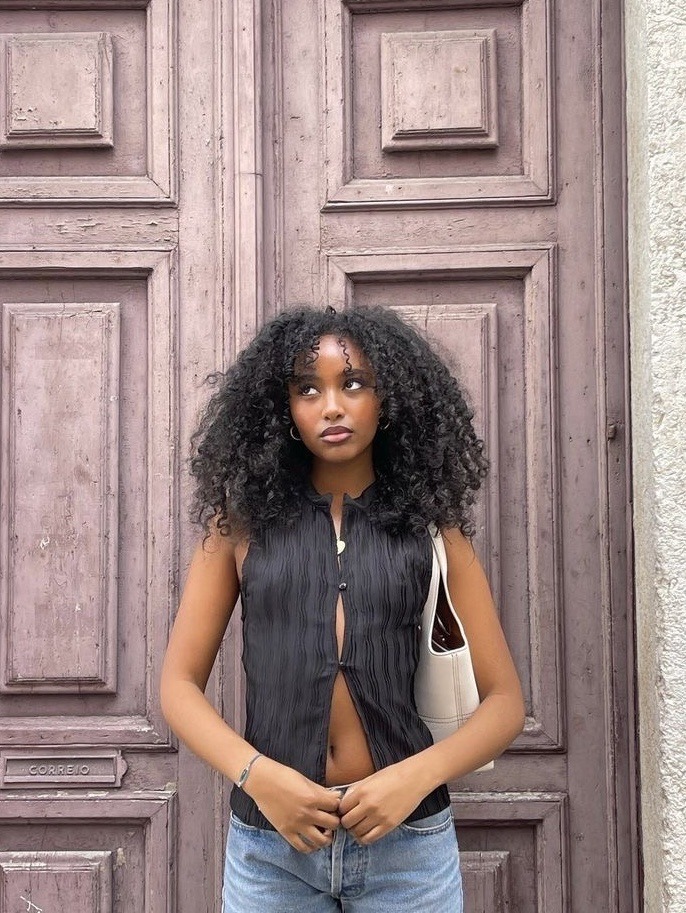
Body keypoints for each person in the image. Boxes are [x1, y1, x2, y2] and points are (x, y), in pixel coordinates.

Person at [160, 304, 525, 912]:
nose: (331, 406)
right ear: (283, 409)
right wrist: (258, 776)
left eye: (353, 383)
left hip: (408, 850)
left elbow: (505, 703)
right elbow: (178, 686)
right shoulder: (239, 527)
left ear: (389, 400)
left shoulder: (432, 528)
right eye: (308, 389)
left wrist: (413, 778)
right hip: (271, 850)